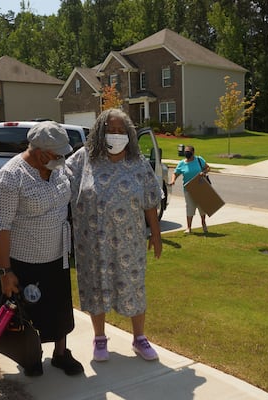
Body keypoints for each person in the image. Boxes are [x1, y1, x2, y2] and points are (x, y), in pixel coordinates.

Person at [66, 108, 162, 362]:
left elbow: (150, 200)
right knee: (96, 285)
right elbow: (58, 178)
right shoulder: (84, 159)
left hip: (130, 241)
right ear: (100, 131)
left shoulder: (137, 162)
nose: (116, 135)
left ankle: (140, 339)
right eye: (111, 130)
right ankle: (99, 339)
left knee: (134, 287)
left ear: (129, 133)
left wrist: (156, 233)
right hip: (93, 241)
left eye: (121, 130)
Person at [0, 121, 83, 377]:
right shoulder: (11, 176)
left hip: (57, 254)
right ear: (40, 152)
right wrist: (5, 271)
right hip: (25, 260)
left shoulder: (56, 168)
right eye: (57, 155)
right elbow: (0, 227)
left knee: (59, 308)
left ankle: (61, 354)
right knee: (28, 312)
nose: (62, 159)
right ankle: (30, 355)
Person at [169, 145, 210, 234]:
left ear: (193, 152)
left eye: (189, 151)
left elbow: (207, 167)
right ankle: (189, 228)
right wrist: (173, 180)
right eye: (186, 151)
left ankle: (203, 223)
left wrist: (204, 172)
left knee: (202, 207)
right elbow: (175, 173)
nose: (187, 153)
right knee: (190, 207)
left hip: (200, 187)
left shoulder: (199, 160)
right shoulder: (182, 163)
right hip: (188, 189)